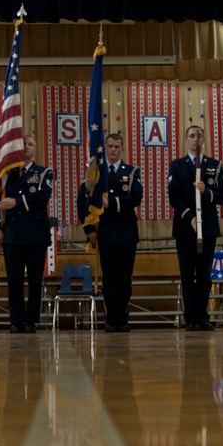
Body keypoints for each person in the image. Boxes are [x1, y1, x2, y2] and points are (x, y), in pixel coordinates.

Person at [77, 133, 143, 332]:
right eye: (110, 146)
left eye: (117, 147)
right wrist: (89, 229)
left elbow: (135, 198)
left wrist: (111, 203)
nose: (113, 150)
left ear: (122, 149)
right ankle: (110, 319)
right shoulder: (96, 172)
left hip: (126, 233)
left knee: (124, 278)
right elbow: (83, 201)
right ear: (105, 147)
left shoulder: (131, 172)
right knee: (109, 279)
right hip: (103, 232)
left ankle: (122, 319)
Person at [167, 125, 223, 331]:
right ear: (186, 141)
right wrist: (190, 217)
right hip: (185, 227)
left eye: (199, 136)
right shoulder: (177, 166)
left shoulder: (214, 165)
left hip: (208, 227)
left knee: (203, 274)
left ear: (204, 139)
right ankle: (190, 317)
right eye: (191, 136)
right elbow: (174, 196)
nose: (195, 139)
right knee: (187, 273)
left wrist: (206, 192)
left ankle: (203, 316)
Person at [0, 135, 54, 333]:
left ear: (35, 149)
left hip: (36, 234)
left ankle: (32, 321)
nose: (27, 147)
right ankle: (16, 320)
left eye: (30, 144)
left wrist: (17, 202)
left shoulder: (44, 172)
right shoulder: (7, 173)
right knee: (14, 280)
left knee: (35, 280)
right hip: (12, 233)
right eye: (23, 144)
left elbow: (43, 196)